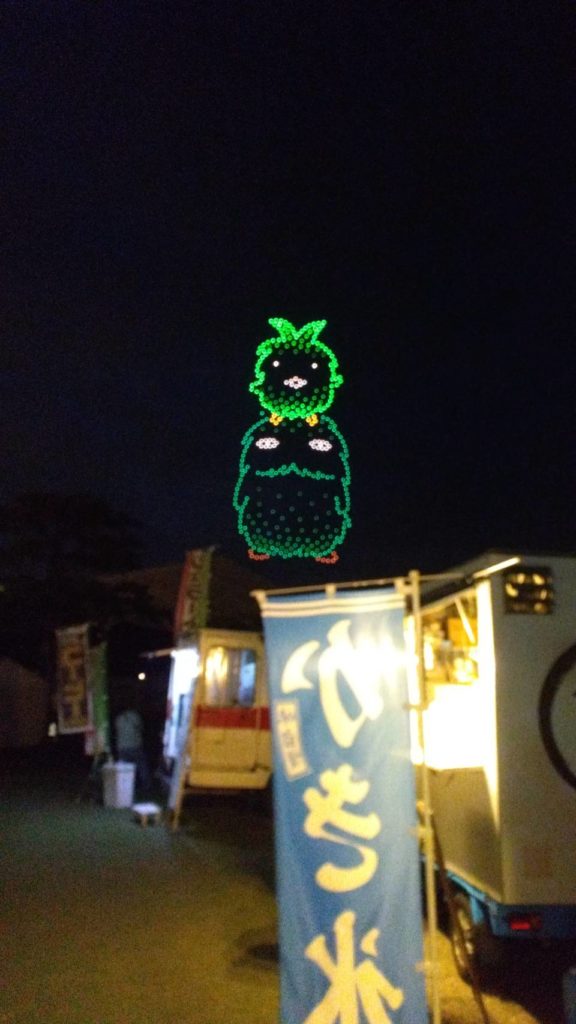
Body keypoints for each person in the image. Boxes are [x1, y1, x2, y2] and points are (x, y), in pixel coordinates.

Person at [114, 705, 151, 793]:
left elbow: (117, 731)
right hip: (135, 746)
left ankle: (125, 787)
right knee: (142, 766)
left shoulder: (118, 719)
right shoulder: (135, 716)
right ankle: (146, 785)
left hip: (122, 747)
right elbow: (141, 728)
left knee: (124, 769)